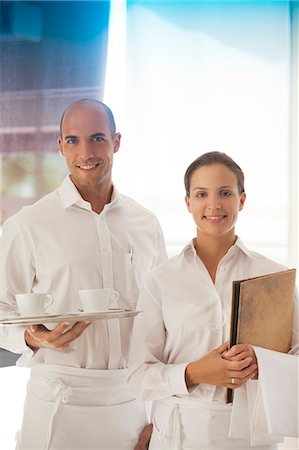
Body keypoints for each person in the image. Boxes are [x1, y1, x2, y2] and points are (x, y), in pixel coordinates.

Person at [0, 99, 167, 450]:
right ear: (60, 146)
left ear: (116, 142)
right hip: (58, 401)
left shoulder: (146, 224)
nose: (86, 152)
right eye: (73, 141)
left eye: (97, 138)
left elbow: (163, 320)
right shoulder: (28, 225)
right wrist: (35, 339)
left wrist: (161, 420)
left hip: (132, 403)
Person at [128, 151, 299, 449]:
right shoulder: (160, 279)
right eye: (201, 194)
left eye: (225, 193)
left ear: (242, 200)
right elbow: (138, 376)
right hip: (178, 436)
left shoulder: (274, 277)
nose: (214, 205)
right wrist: (195, 372)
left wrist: (263, 362)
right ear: (188, 203)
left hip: (249, 438)